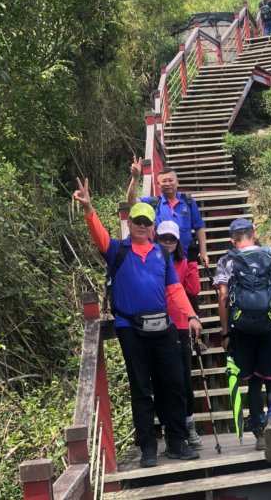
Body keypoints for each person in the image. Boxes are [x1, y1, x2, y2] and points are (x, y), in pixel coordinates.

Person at [74, 178, 202, 468]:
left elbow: (174, 290)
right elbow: (98, 234)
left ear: (153, 226)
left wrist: (191, 315)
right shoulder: (117, 250)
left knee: (172, 384)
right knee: (141, 388)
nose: (142, 227)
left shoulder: (162, 254)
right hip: (130, 328)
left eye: (147, 222)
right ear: (129, 224)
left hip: (164, 328)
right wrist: (89, 209)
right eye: (137, 222)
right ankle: (148, 448)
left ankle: (177, 442)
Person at [214, 219, 271, 464]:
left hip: (242, 330)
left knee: (252, 381)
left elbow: (223, 296)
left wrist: (225, 331)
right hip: (270, 327)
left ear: (232, 239)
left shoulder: (227, 260)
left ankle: (259, 433)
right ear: (254, 234)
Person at [154, 220, 202, 448]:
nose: (168, 242)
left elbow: (193, 290)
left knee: (184, 379)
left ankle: (188, 424)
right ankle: (169, 427)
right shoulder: (151, 261)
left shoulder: (183, 262)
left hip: (181, 325)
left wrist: (192, 263)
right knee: (163, 380)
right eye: (164, 238)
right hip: (158, 326)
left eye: (172, 239)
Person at [127, 159, 209, 267]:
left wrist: (203, 252)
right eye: (164, 181)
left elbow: (199, 227)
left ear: (177, 182)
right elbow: (132, 202)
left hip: (187, 259)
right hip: (161, 260)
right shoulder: (154, 203)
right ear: (158, 185)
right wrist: (135, 178)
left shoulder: (188, 201)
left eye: (171, 180)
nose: (168, 183)